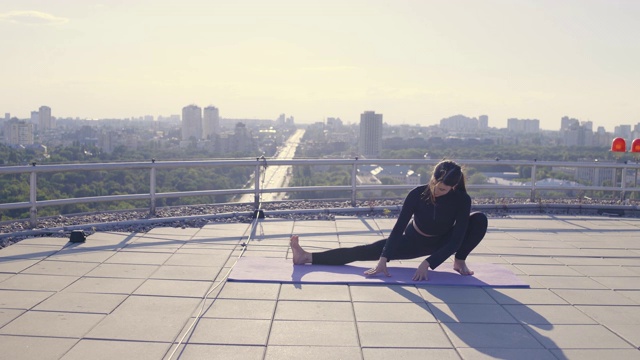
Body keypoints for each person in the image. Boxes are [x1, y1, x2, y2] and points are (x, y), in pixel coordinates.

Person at [290, 159, 488, 281]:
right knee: (365, 251)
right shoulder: (417, 194)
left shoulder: (462, 200)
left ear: (453, 188)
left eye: (443, 189)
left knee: (479, 220)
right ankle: (306, 257)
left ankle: (459, 262)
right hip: (413, 241)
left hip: (443, 241)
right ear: (432, 178)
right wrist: (383, 259)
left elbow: (456, 239)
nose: (437, 190)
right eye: (435, 184)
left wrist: (428, 263)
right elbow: (398, 228)